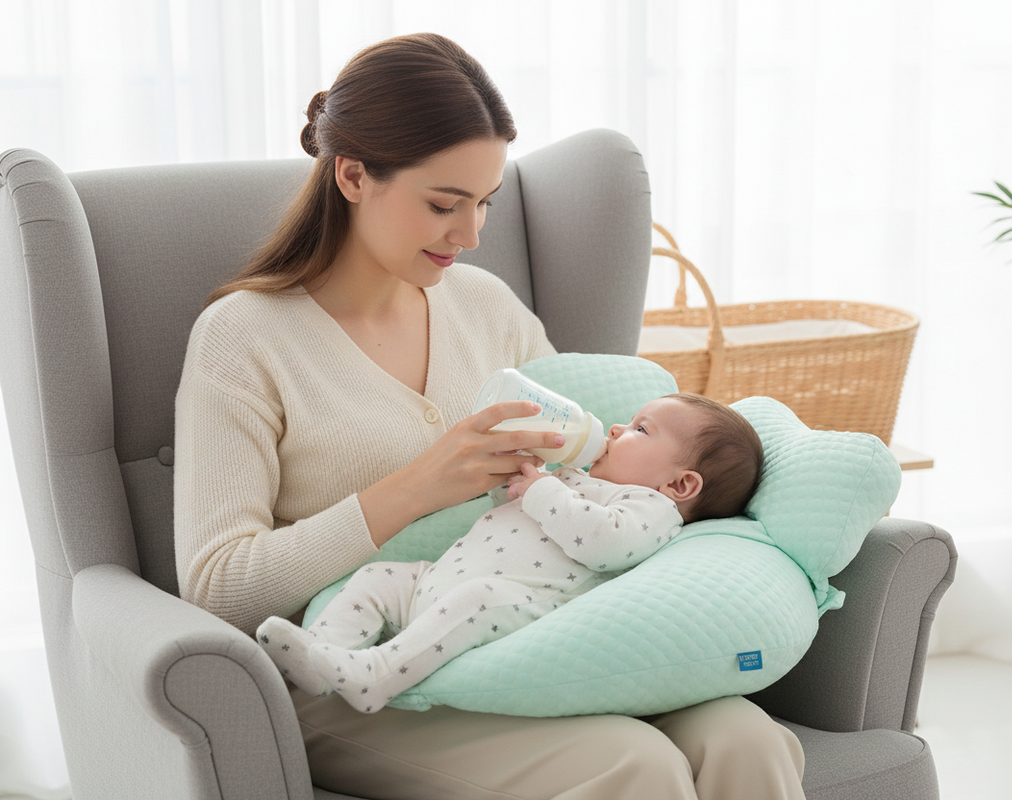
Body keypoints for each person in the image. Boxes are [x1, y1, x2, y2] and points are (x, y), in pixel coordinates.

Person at [174, 31, 807, 800]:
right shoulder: (243, 339)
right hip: (360, 664)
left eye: (483, 205)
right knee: (633, 765)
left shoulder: (485, 308)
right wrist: (415, 487)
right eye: (444, 204)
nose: (470, 237)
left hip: (532, 633)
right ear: (352, 174)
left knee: (745, 738)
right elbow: (215, 586)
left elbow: (595, 462)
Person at [255, 392, 763, 713]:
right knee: (378, 576)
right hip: (438, 579)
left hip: (511, 604)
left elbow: (606, 542)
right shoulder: (577, 478)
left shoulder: (648, 508)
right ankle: (322, 655)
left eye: (639, 429)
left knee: (478, 597)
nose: (614, 429)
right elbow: (511, 506)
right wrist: (525, 474)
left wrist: (545, 490)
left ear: (681, 483)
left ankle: (376, 676)